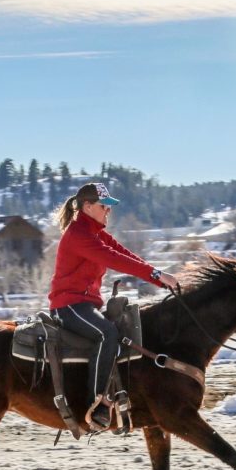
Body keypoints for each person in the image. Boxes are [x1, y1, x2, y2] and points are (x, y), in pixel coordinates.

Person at [49, 182, 179, 428]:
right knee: (107, 334)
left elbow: (124, 253)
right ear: (87, 207)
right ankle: (96, 403)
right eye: (103, 206)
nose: (108, 211)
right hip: (70, 306)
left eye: (109, 207)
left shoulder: (95, 232)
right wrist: (156, 275)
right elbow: (114, 259)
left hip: (86, 305)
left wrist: (159, 278)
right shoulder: (78, 235)